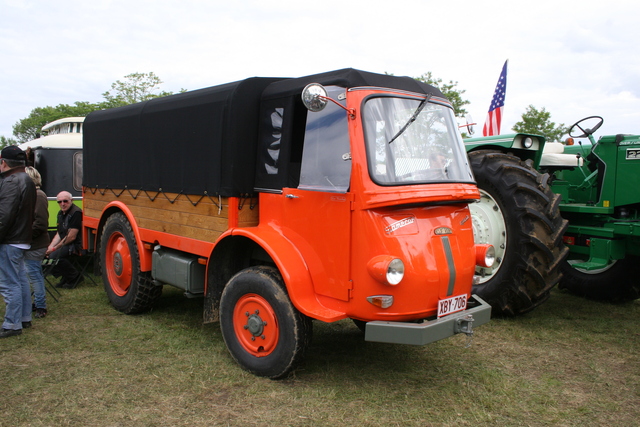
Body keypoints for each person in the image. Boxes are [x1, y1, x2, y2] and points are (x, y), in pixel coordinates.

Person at [0, 145, 36, 338]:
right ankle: (24, 317)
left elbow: (4, 215)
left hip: (10, 239)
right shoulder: (27, 179)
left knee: (9, 283)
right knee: (21, 279)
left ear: (4, 162)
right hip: (21, 238)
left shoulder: (11, 181)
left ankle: (12, 324)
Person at [25, 167, 50, 318]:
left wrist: (25, 236)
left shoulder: (38, 195)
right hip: (32, 242)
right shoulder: (32, 195)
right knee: (33, 274)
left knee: (34, 274)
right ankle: (37, 302)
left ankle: (41, 305)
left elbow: (40, 223)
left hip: (36, 243)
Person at [46, 191, 83, 288]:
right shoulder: (60, 213)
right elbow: (59, 233)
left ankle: (75, 277)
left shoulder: (76, 213)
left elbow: (71, 237)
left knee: (54, 256)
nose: (62, 204)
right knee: (45, 253)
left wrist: (54, 249)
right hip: (66, 244)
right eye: (59, 202)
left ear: (71, 200)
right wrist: (50, 247)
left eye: (65, 201)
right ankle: (66, 277)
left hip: (76, 245)